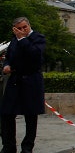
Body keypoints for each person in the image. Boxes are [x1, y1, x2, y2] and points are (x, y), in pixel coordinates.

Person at [1, 17, 46, 153]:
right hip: (15, 80)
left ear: (29, 25)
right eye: (18, 29)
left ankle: (27, 148)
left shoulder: (38, 38)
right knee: (6, 113)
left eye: (24, 27)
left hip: (31, 80)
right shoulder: (14, 40)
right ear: (14, 29)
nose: (22, 30)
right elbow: (8, 56)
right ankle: (9, 146)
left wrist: (22, 39)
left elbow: (35, 54)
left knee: (30, 115)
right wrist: (6, 65)